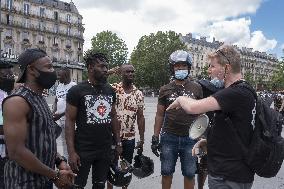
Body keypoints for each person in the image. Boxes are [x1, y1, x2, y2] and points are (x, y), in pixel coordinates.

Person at [167, 45, 255, 189]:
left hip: (228, 176)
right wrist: (208, 142)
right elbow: (237, 132)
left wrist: (181, 99)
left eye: (212, 66)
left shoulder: (235, 93)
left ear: (226, 68)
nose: (209, 70)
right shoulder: (245, 90)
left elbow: (193, 107)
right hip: (234, 172)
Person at [2, 48, 75, 189]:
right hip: (23, 183)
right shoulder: (17, 102)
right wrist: (55, 175)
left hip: (44, 181)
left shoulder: (40, 98)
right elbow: (16, 151)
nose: (54, 72)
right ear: (32, 70)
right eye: (49, 67)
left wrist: (60, 161)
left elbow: (43, 141)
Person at [65, 52, 122, 189]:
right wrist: (71, 152)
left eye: (106, 67)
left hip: (105, 149)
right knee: (77, 185)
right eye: (101, 66)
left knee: (99, 185)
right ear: (90, 68)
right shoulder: (76, 91)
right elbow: (70, 121)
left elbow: (113, 116)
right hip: (83, 149)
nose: (105, 70)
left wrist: (118, 142)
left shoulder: (110, 90)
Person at [151, 50, 203, 189]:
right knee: (166, 172)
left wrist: (201, 138)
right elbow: (160, 114)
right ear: (172, 68)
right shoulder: (164, 89)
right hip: (169, 137)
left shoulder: (197, 88)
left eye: (183, 66)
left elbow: (200, 115)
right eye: (177, 66)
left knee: (190, 173)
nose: (180, 69)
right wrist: (155, 136)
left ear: (189, 68)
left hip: (190, 138)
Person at [107, 64, 145, 189]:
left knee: (126, 168)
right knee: (111, 168)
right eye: (127, 71)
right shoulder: (113, 89)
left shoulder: (138, 93)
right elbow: (98, 81)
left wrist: (142, 139)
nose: (131, 74)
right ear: (121, 74)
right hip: (112, 136)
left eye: (132, 72)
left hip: (130, 137)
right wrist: (110, 72)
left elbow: (140, 117)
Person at [196, 53, 225, 189]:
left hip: (224, 133)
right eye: (209, 67)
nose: (209, 70)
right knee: (204, 163)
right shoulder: (202, 85)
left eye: (212, 66)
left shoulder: (231, 88)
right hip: (207, 130)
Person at [53, 67, 76, 158]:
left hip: (70, 120)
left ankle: (72, 162)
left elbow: (74, 105)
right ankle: (66, 160)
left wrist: (61, 114)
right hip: (60, 120)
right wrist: (53, 111)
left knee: (70, 142)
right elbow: (56, 100)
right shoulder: (59, 86)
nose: (58, 78)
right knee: (63, 141)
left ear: (66, 76)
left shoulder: (73, 86)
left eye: (60, 76)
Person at [0, 60, 15, 189]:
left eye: (12, 76)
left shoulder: (7, 94)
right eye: (5, 76)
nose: (10, 79)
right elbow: (2, 128)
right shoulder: (1, 96)